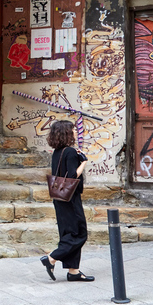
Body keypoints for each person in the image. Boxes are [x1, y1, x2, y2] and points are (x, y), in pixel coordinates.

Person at [40, 120, 94, 282]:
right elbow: (71, 176)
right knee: (79, 233)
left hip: (60, 196)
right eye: (73, 129)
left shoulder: (57, 151)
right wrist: (83, 162)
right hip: (70, 198)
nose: (76, 132)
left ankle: (73, 271)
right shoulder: (70, 152)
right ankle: (51, 258)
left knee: (69, 233)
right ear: (67, 132)